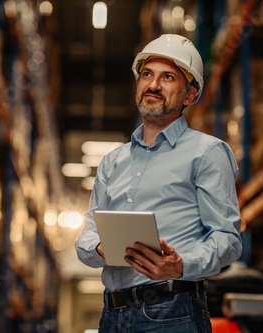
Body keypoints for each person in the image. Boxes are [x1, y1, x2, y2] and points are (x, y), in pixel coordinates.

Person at [75, 34, 242, 333]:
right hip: (112, 315)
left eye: (167, 77)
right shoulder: (113, 161)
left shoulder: (207, 153)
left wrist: (182, 265)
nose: (153, 85)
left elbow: (227, 239)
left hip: (172, 313)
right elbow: (88, 230)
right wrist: (100, 247)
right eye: (147, 75)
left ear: (189, 95)